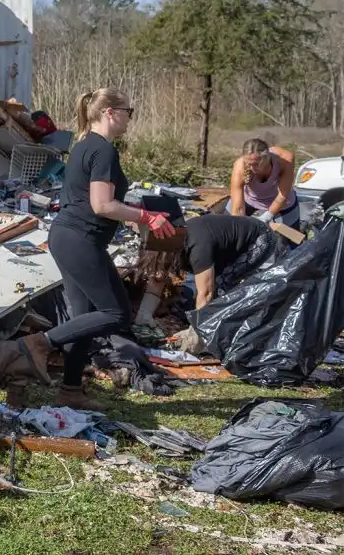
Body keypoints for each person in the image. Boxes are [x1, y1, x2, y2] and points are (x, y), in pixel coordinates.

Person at [16, 89, 176, 408]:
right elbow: (101, 205)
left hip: (70, 236)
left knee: (85, 315)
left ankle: (71, 391)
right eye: (128, 110)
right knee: (114, 312)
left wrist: (129, 215)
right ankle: (39, 343)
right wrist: (146, 216)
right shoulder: (103, 150)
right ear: (110, 112)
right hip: (81, 239)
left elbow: (95, 202)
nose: (131, 117)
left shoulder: (84, 144)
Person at [183, 214, 281, 310]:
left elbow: (206, 293)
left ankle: (225, 318)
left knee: (220, 283)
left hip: (261, 237)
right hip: (230, 243)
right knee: (207, 280)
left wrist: (197, 322)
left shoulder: (199, 250)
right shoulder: (182, 236)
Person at [228, 138, 300, 228]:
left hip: (281, 202)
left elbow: (282, 196)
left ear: (267, 158)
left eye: (256, 164)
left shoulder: (284, 159)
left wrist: (266, 217)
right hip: (250, 200)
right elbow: (237, 209)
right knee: (229, 229)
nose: (252, 168)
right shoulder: (240, 166)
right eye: (249, 164)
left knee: (290, 239)